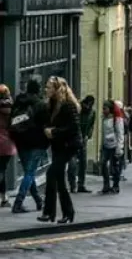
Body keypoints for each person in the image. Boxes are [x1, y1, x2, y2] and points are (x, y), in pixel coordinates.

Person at [39, 77, 81, 224]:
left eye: (49, 87)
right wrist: (47, 130)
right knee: (58, 178)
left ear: (57, 89)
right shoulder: (51, 104)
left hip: (69, 145)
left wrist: (54, 132)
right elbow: (47, 123)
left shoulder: (68, 105)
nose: (46, 89)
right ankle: (56, 213)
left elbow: (73, 128)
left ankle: (58, 212)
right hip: (58, 145)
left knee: (52, 173)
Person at [9, 79, 47, 213]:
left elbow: (11, 121)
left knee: (28, 173)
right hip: (36, 143)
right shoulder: (41, 104)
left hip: (20, 142)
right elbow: (45, 125)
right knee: (30, 173)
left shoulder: (19, 101)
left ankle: (38, 201)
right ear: (38, 90)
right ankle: (18, 203)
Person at [68, 95, 95, 194]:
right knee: (72, 163)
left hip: (83, 140)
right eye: (87, 104)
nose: (88, 107)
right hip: (74, 139)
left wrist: (88, 135)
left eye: (90, 105)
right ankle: (72, 185)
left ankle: (81, 185)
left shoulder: (92, 112)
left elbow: (91, 126)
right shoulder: (77, 109)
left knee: (83, 163)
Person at [99, 100, 124, 194]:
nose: (103, 110)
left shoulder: (117, 119)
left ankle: (115, 186)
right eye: (103, 108)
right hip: (106, 145)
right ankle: (106, 185)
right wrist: (102, 145)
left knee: (114, 166)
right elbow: (103, 133)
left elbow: (120, 133)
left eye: (105, 108)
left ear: (110, 109)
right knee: (103, 164)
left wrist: (119, 147)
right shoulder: (104, 118)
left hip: (114, 145)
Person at [0, 85, 16, 208]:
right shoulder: (13, 108)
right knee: (2, 170)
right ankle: (4, 197)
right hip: (7, 143)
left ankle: (4, 197)